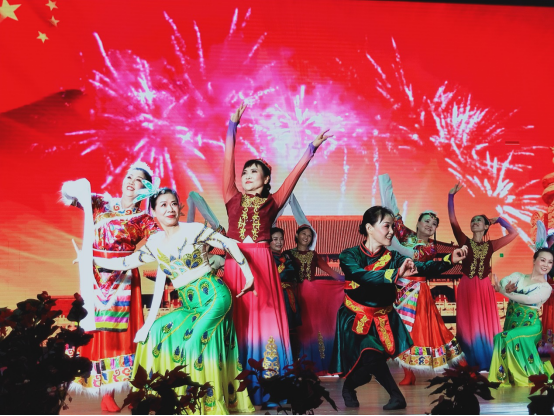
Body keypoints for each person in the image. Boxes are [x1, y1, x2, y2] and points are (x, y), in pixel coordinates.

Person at [91, 185, 255, 415]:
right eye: (163, 205)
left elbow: (228, 243)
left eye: (174, 204)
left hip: (215, 298)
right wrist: (91, 259)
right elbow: (125, 262)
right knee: (152, 333)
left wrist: (249, 275)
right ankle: (154, 400)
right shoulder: (155, 243)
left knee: (192, 344)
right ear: (154, 212)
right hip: (190, 306)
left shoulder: (193, 230)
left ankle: (198, 406)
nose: (170, 209)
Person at [222, 103, 332, 403]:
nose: (247, 175)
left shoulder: (274, 201)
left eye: (254, 172)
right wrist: (232, 126)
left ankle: (269, 387)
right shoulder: (231, 196)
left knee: (266, 321)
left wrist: (311, 148)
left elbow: (294, 175)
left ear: (266, 179)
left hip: (261, 265)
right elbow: (228, 160)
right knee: (236, 319)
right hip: (234, 264)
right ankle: (234, 389)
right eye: (245, 172)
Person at [330, 206, 468, 411]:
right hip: (356, 317)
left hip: (383, 318)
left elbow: (422, 267)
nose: (391, 232)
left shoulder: (394, 257)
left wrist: (450, 260)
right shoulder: (349, 255)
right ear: (369, 228)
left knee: (367, 368)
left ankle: (349, 387)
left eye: (392, 227)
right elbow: (361, 276)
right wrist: (395, 273)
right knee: (370, 353)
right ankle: (396, 397)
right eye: (386, 226)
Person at [62, 162, 159, 412]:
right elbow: (71, 195)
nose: (131, 182)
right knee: (95, 331)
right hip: (95, 276)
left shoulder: (144, 219)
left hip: (123, 278)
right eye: (129, 177)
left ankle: (123, 391)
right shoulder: (101, 203)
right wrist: (78, 187)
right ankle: (101, 389)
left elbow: (161, 241)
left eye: (138, 180)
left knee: (122, 337)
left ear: (145, 189)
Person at [378, 174, 463, 385]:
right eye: (427, 221)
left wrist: (393, 243)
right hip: (400, 290)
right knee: (400, 330)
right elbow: (392, 213)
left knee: (433, 329)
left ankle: (463, 367)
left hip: (418, 293)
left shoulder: (430, 248)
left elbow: (410, 256)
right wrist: (385, 183)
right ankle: (408, 372)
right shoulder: (405, 235)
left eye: (434, 224)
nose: (430, 225)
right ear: (417, 223)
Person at [448, 182, 518, 370]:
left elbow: (514, 233)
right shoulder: (464, 241)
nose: (474, 222)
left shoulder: (491, 245)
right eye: (472, 220)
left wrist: (500, 220)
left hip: (484, 286)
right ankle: (471, 360)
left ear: (486, 226)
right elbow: (453, 222)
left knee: (486, 322)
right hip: (467, 286)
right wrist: (450, 197)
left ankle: (489, 357)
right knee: (468, 322)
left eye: (479, 220)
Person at [488, 249, 554, 386]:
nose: (546, 264)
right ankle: (505, 377)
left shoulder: (546, 288)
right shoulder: (519, 277)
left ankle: (502, 379)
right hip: (512, 324)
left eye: (550, 262)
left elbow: (528, 299)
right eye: (542, 260)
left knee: (504, 337)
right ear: (534, 260)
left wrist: (504, 292)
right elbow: (505, 281)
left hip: (531, 326)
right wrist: (505, 287)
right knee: (499, 338)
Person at [269, 227, 302, 358]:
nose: (279, 242)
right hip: (275, 297)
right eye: (275, 239)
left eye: (281, 239)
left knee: (291, 330)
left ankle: (292, 361)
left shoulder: (286, 257)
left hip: (288, 296)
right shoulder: (267, 257)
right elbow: (282, 275)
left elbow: (292, 273)